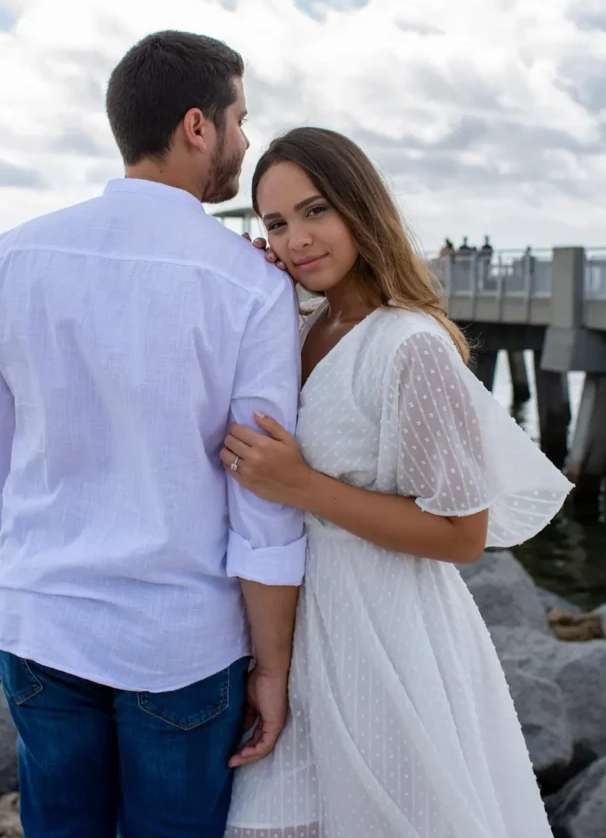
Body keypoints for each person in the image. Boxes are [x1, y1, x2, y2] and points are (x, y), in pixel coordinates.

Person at [222, 127, 573, 838]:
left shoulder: (408, 344)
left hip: (384, 633)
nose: (296, 240)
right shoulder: (303, 325)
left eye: (316, 211)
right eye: (277, 223)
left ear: (360, 207)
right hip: (300, 623)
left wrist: (301, 486)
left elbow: (460, 534)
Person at [0, 31, 306, 838]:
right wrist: (272, 668)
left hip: (42, 623)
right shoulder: (248, 285)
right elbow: (262, 499)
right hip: (181, 641)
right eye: (240, 120)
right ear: (197, 125)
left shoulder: (13, 258)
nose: (245, 140)